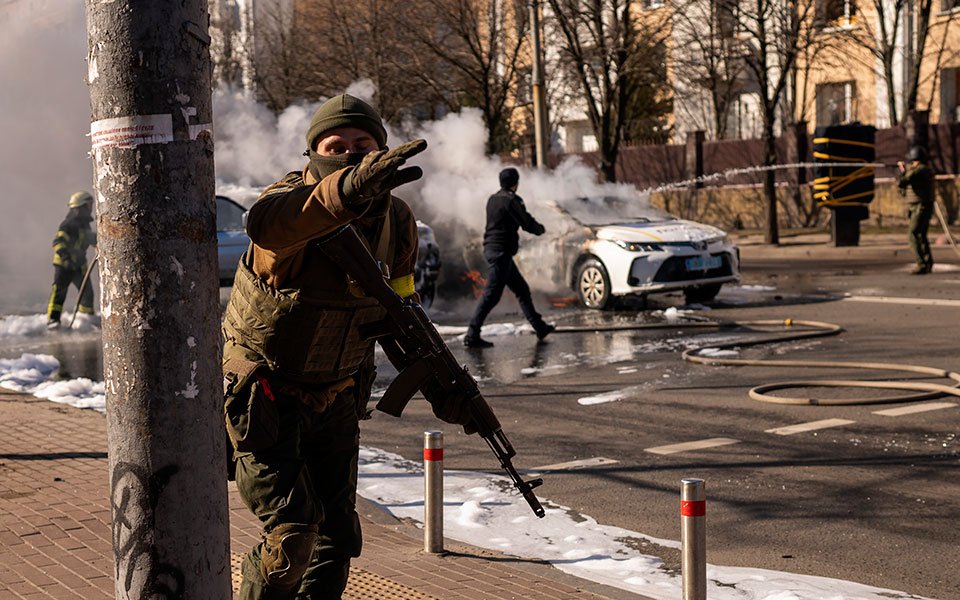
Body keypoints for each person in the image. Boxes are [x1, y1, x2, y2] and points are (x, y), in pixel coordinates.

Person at [220, 94, 470, 600]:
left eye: (364, 145)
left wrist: (444, 386)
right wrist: (347, 190)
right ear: (313, 153)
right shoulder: (286, 206)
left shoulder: (396, 221)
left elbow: (402, 311)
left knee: (337, 538)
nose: (352, 155)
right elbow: (266, 227)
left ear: (382, 149)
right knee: (293, 537)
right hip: (267, 396)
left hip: (336, 394)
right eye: (337, 146)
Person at [464, 167, 554, 348]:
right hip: (501, 252)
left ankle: (540, 327)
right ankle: (472, 334)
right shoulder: (512, 200)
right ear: (515, 183)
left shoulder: (492, 199)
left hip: (494, 250)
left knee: (521, 290)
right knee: (491, 296)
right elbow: (527, 223)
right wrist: (540, 229)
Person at [46, 191, 96, 330]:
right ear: (79, 207)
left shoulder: (85, 225)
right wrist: (66, 258)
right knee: (59, 292)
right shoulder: (68, 224)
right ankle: (53, 321)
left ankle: (86, 319)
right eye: (88, 204)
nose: (90, 207)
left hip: (79, 265)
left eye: (91, 204)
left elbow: (89, 239)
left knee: (87, 292)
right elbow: (58, 242)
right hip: (64, 265)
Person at [897, 145, 936, 274]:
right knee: (920, 234)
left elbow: (903, 181)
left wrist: (902, 170)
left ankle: (921, 263)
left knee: (913, 234)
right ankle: (926, 262)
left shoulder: (920, 170)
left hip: (920, 207)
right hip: (918, 206)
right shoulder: (922, 169)